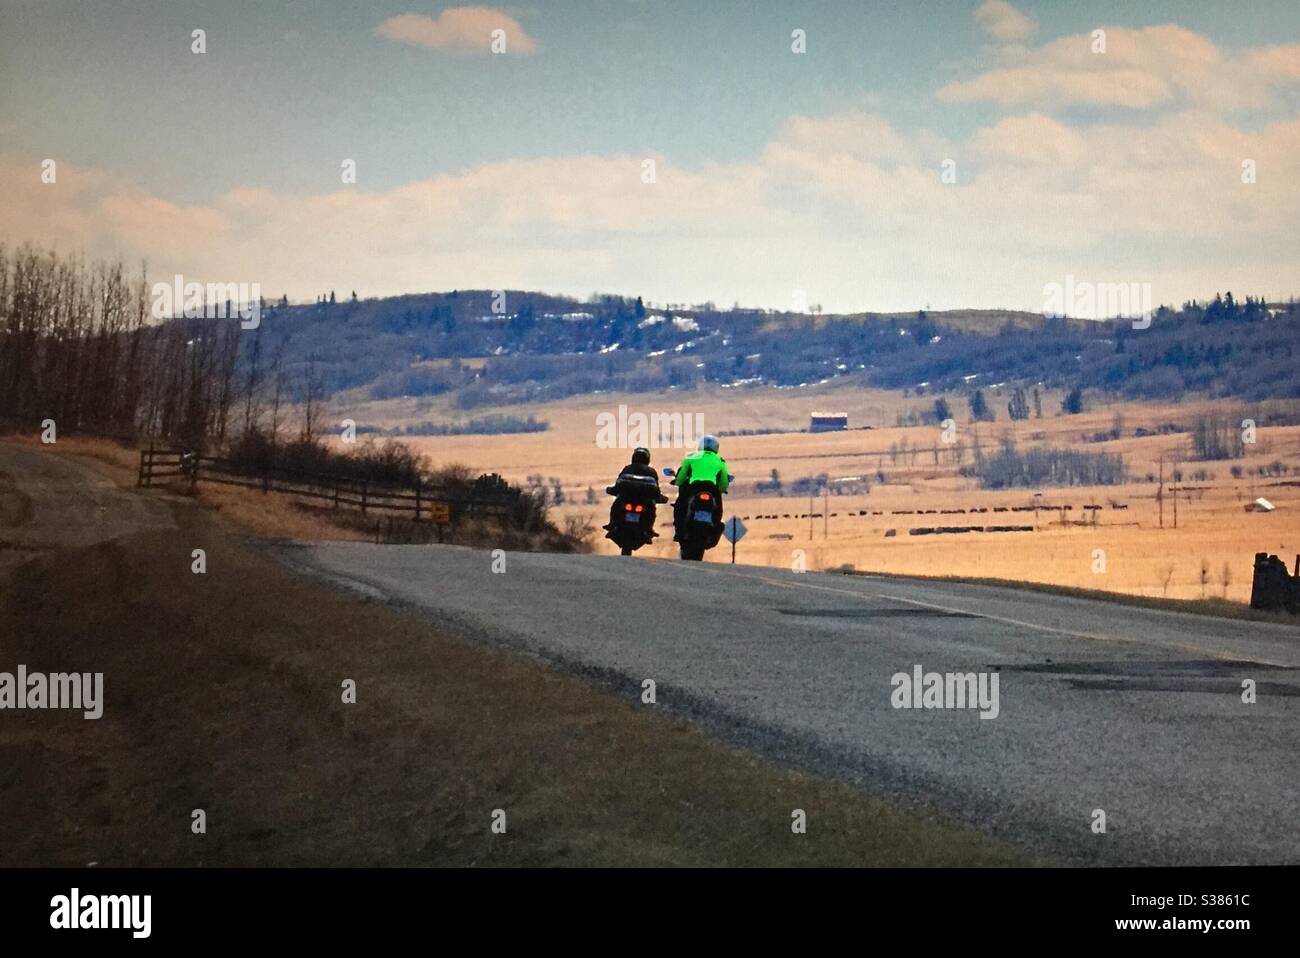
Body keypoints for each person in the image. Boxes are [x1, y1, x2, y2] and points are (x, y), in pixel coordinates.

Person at [671, 435, 730, 540]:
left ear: (700, 446)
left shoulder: (691, 457)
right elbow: (724, 483)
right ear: (716, 447)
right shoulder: (721, 461)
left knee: (680, 505)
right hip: (712, 489)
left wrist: (678, 482)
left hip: (694, 487)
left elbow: (681, 477)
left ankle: (678, 530)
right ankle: (716, 526)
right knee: (718, 507)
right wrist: (721, 489)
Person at [605, 447, 666, 532]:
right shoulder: (651, 472)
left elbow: (617, 486)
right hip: (640, 501)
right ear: (647, 459)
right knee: (651, 508)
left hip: (628, 499)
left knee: (617, 504)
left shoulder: (628, 468)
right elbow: (656, 492)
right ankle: (649, 529)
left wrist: (611, 490)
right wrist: (660, 498)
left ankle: (612, 524)